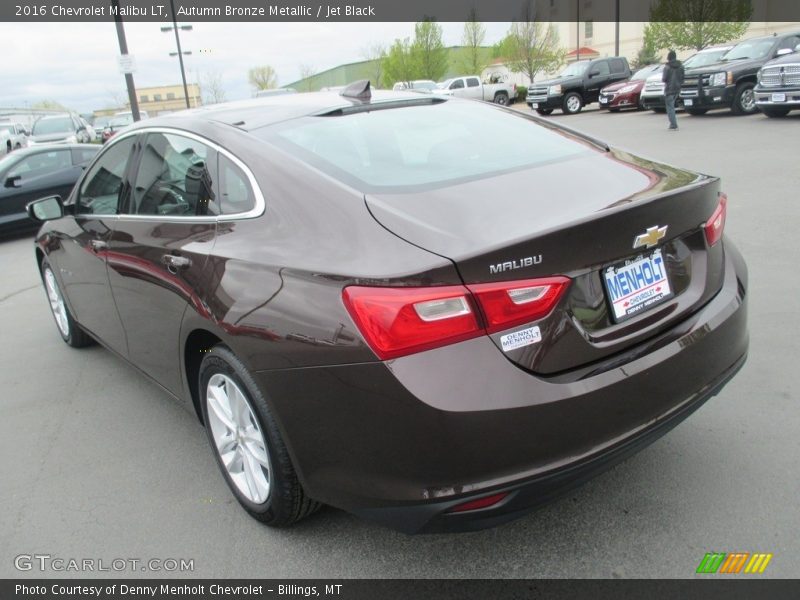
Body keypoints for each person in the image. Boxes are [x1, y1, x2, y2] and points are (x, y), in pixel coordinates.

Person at [663, 50, 685, 130]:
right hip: (677, 89)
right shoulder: (681, 66)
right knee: (672, 106)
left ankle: (673, 124)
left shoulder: (667, 67)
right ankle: (673, 124)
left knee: (670, 107)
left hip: (669, 89)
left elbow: (664, 79)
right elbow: (683, 78)